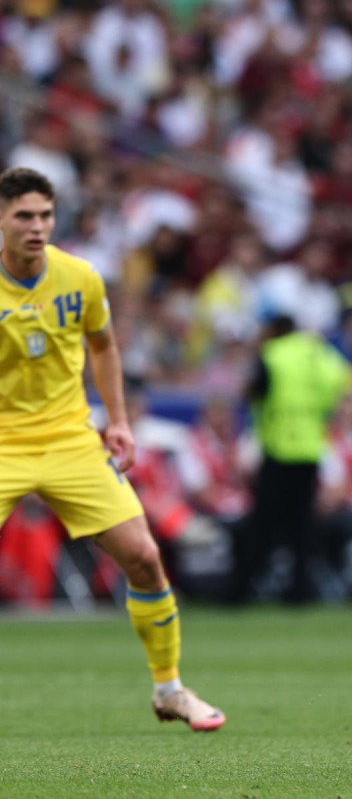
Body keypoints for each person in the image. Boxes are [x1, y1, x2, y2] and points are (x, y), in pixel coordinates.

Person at [0, 167, 225, 731]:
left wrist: (118, 420)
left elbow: (102, 345)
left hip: (69, 439)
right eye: (23, 216)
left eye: (44, 215)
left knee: (145, 558)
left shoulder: (80, 278)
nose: (36, 226)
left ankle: (170, 689)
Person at [230, 314, 351, 603]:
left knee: (264, 523)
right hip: (310, 448)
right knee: (302, 526)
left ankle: (240, 590)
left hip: (279, 447)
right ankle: (300, 591)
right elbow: (341, 379)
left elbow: (253, 391)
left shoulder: (273, 354)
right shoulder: (319, 352)